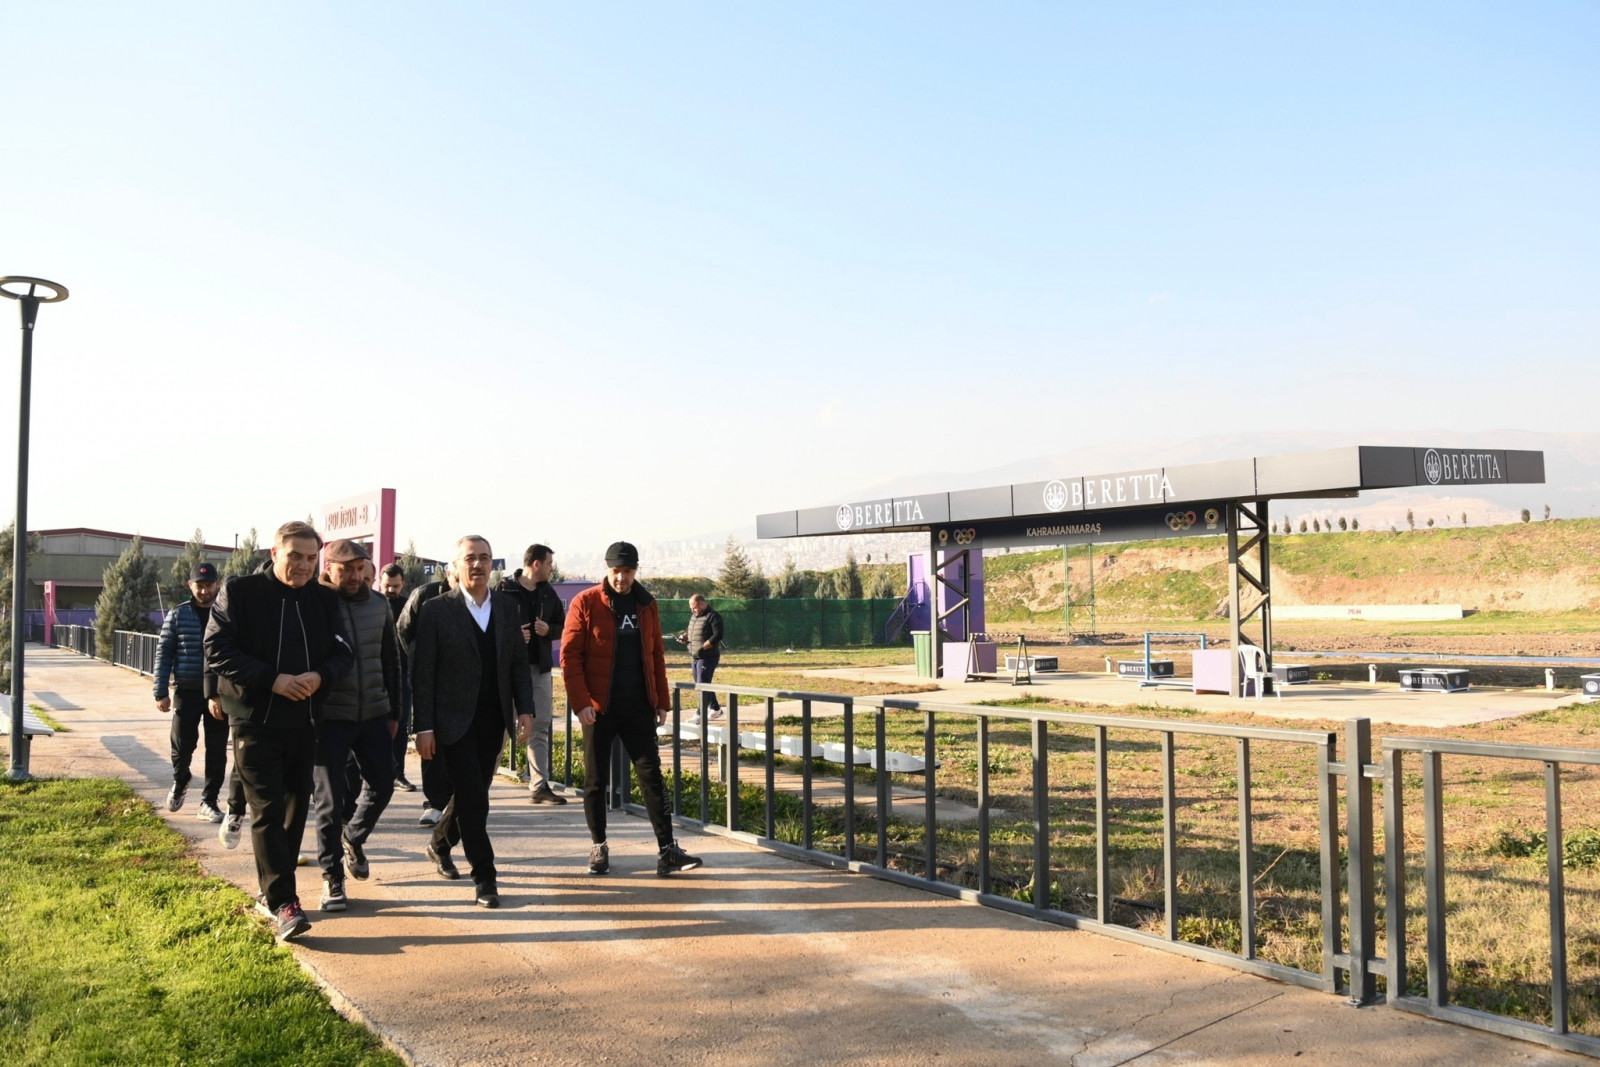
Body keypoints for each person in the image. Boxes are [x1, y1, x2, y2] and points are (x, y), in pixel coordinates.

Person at [206, 521, 353, 941]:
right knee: (267, 808)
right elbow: (216, 648)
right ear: (275, 554)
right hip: (254, 719)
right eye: (295, 557)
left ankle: (271, 889)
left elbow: (343, 652)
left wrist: (320, 676)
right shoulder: (241, 592)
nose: (304, 566)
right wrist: (272, 680)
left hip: (305, 719)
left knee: (294, 807)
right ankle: (285, 903)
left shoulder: (324, 598)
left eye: (312, 559)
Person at [561, 541, 701, 878]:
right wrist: (581, 703)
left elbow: (655, 656)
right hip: (599, 708)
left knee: (651, 776)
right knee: (596, 780)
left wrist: (662, 701)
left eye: (627, 571)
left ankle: (667, 851)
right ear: (607, 569)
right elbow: (570, 656)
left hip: (638, 706)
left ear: (636, 570)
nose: (621, 578)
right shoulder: (585, 602)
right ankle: (599, 847)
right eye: (616, 571)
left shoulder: (646, 604)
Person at [411, 536, 533, 908]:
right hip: (452, 722)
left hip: (493, 720)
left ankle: (439, 844)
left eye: (484, 558)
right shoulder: (436, 610)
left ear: (492, 563)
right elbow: (423, 673)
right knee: (475, 801)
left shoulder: (508, 608)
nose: (477, 564)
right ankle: (485, 876)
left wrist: (525, 709)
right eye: (469, 558)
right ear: (456, 566)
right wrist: (423, 727)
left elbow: (517, 664)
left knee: (471, 795)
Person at [310, 540, 400, 913]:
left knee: (383, 784)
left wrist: (395, 711)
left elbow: (391, 658)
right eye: (345, 568)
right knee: (329, 803)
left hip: (374, 713)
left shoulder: (379, 605)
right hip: (329, 717)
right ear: (328, 568)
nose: (353, 575)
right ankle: (332, 878)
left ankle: (354, 837)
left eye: (359, 568)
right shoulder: (314, 603)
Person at [154, 562, 227, 821]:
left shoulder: (226, 613)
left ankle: (209, 801)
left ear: (217, 584)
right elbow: (164, 653)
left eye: (209, 585)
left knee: (217, 749)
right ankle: (181, 778)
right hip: (187, 689)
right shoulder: (178, 614)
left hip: (219, 693)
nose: (204, 591)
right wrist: (160, 691)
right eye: (199, 586)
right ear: (190, 585)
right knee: (182, 744)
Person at [496, 543, 567, 804]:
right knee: (501, 727)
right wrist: (514, 636)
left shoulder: (548, 593)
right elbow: (490, 626)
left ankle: (539, 786)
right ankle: (479, 787)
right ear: (536, 564)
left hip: (539, 670)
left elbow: (563, 625)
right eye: (549, 564)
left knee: (540, 727)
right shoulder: (504, 589)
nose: (551, 569)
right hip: (508, 671)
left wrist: (549, 630)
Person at [397, 565, 456, 825]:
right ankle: (434, 803)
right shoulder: (424, 594)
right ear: (449, 572)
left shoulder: (479, 599)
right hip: (428, 679)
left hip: (461, 681)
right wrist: (418, 658)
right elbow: (403, 629)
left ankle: (455, 802)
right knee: (430, 738)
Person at [379, 562, 417, 793]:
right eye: (387, 585)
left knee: (401, 725)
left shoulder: (409, 607)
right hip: (375, 674)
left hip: (403, 675)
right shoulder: (373, 604)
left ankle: (397, 773)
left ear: (403, 583)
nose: (391, 590)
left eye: (395, 586)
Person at [675, 593, 725, 721]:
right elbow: (693, 631)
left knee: (702, 684)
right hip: (695, 656)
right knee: (702, 683)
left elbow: (718, 635)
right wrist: (685, 636)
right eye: (691, 608)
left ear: (702, 604)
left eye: (695, 608)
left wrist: (704, 647)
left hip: (708, 656)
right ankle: (716, 709)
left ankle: (699, 714)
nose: (692, 610)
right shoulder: (694, 616)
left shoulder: (713, 616)